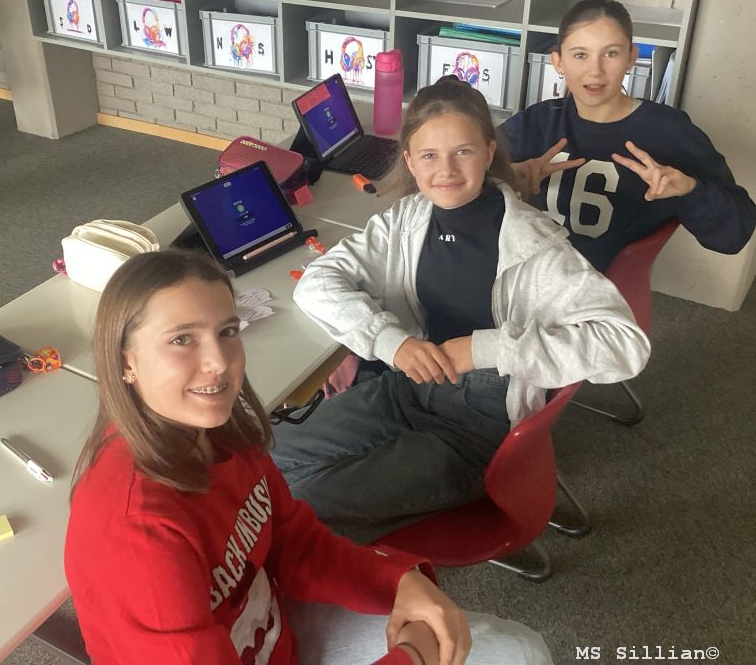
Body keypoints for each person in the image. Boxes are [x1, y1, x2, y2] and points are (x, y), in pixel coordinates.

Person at [64, 249, 554, 665]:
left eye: (227, 332)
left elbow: (293, 540)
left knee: (519, 650)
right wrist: (412, 657)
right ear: (125, 361)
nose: (219, 362)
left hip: (271, 631)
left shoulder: (221, 431)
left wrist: (397, 581)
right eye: (182, 339)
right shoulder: (137, 535)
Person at [270, 76, 650, 544]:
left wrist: (483, 348)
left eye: (463, 152)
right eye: (429, 155)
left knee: (302, 505)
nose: (446, 170)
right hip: (409, 386)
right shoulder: (407, 219)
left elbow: (624, 344)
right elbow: (317, 281)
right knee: (264, 465)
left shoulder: (535, 246)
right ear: (410, 161)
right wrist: (392, 342)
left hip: (478, 425)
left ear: (489, 153)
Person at [499, 0, 756, 272]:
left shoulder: (669, 131)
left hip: (602, 288)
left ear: (631, 57)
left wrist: (690, 190)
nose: (595, 71)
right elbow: (474, 182)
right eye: (580, 55)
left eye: (611, 53)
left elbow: (734, 235)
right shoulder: (537, 121)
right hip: (525, 271)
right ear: (558, 62)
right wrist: (509, 177)